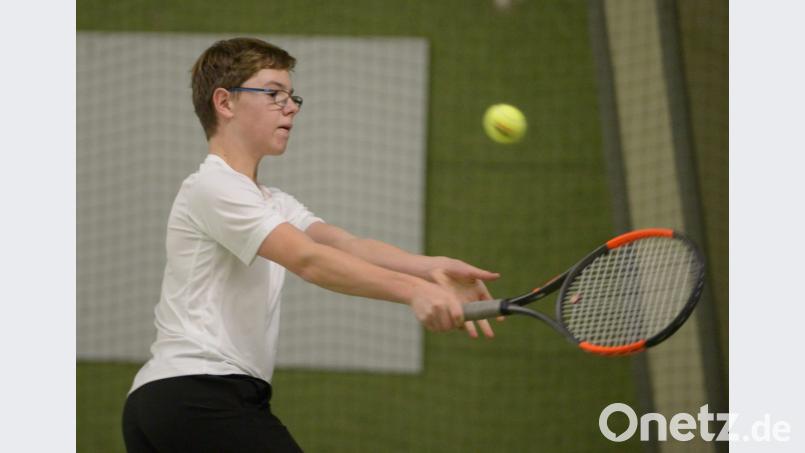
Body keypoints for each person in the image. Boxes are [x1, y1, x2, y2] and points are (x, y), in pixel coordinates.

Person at [121, 37, 500, 453]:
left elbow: (344, 244)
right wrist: (414, 293)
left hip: (174, 402)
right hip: (196, 395)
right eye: (273, 94)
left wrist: (430, 268)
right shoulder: (213, 186)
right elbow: (309, 260)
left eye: (292, 96)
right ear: (224, 103)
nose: (291, 106)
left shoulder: (271, 201)